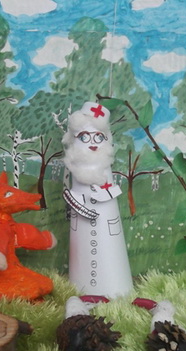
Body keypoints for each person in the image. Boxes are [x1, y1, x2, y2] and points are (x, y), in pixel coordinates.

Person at [62, 102, 133, 298]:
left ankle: (116, 288)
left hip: (107, 225)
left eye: (99, 137)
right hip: (81, 225)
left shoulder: (104, 167)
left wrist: (106, 194)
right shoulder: (76, 167)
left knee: (110, 255)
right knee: (83, 258)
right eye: (84, 137)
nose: (92, 142)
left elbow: (112, 189)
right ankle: (81, 289)